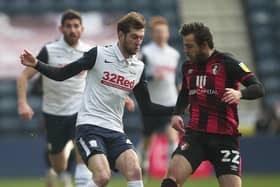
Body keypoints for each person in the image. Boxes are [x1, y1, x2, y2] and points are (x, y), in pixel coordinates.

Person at [19, 11, 174, 187]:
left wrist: (179, 109)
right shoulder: (98, 54)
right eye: (134, 37)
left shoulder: (138, 67)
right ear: (120, 34)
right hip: (89, 127)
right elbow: (62, 74)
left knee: (135, 171)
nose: (138, 42)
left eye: (140, 37)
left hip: (115, 130)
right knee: (101, 177)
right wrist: (37, 64)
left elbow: (147, 107)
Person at [160, 22, 265, 187]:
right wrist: (176, 113)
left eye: (189, 46)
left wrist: (240, 93)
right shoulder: (187, 66)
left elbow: (258, 88)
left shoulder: (227, 62)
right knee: (170, 182)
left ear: (204, 45)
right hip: (195, 136)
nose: (185, 51)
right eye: (185, 46)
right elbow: (185, 92)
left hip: (225, 138)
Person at [17, 9, 94, 187]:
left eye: (76, 26)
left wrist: (121, 97)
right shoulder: (49, 51)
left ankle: (81, 182)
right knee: (59, 164)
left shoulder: (89, 51)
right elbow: (24, 76)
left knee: (82, 153)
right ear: (61, 28)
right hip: (54, 113)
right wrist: (22, 103)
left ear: (82, 29)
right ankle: (58, 172)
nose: (72, 30)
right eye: (68, 26)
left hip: (80, 110)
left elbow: (102, 78)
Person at [138, 16, 180, 174]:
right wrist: (153, 76)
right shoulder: (146, 53)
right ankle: (144, 159)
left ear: (168, 33)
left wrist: (179, 87)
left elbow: (175, 76)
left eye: (163, 32)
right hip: (151, 103)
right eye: (157, 32)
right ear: (151, 34)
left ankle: (171, 172)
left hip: (170, 102)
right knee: (148, 138)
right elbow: (139, 78)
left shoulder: (174, 54)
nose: (161, 35)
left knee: (173, 137)